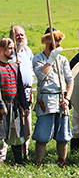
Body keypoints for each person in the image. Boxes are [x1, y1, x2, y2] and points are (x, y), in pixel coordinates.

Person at [32, 28, 74, 166]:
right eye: (56, 40)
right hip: (46, 100)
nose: (59, 43)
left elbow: (70, 81)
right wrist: (50, 60)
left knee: (63, 136)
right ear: (48, 41)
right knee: (42, 136)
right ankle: (39, 163)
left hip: (62, 100)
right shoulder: (38, 58)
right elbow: (41, 75)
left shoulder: (63, 60)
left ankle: (62, 162)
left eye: (60, 40)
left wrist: (67, 99)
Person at [0, 37, 29, 165]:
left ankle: (19, 162)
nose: (13, 51)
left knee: (17, 136)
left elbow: (20, 88)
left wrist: (25, 105)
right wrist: (1, 105)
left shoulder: (15, 67)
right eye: (10, 48)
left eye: (13, 48)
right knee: (1, 136)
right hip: (3, 107)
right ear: (2, 49)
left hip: (15, 107)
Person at [8, 26, 34, 160]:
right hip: (12, 94)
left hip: (27, 93)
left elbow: (31, 70)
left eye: (22, 35)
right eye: (17, 35)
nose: (20, 37)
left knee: (27, 127)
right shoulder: (8, 53)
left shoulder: (27, 51)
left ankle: (26, 154)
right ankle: (7, 156)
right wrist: (13, 63)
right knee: (12, 127)